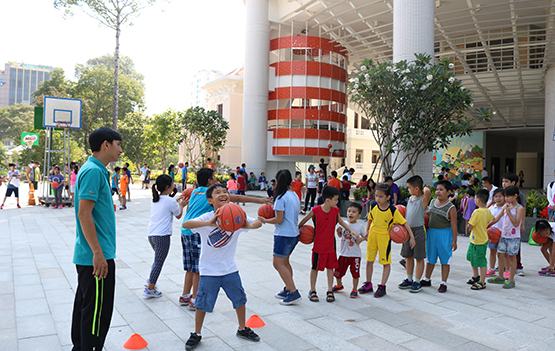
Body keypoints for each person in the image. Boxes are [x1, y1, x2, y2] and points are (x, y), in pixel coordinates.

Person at [182, 184, 263, 350]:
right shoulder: (207, 217)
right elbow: (187, 224)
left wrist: (246, 225)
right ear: (210, 200)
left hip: (230, 269)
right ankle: (196, 333)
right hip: (208, 271)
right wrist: (210, 223)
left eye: (225, 192)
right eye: (217, 192)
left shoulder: (237, 216)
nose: (223, 194)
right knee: (202, 303)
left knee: (239, 300)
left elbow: (258, 223)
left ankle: (242, 328)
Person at [179, 168, 270, 310]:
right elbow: (239, 198)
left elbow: (189, 209)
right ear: (210, 180)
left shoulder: (195, 191)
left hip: (185, 231)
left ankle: (185, 295)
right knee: (197, 269)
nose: (216, 181)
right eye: (214, 177)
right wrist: (261, 200)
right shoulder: (213, 195)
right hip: (196, 230)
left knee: (190, 267)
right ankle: (195, 299)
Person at [71, 127, 122, 350]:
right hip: (96, 258)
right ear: (106, 145)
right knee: (96, 316)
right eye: (118, 144)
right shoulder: (93, 171)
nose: (121, 150)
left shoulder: (96, 170)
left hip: (92, 255)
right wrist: (98, 253)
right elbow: (84, 213)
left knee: (86, 308)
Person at [358, 183, 415, 298]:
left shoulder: (393, 210)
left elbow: (405, 223)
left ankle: (382, 286)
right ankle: (368, 284)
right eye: (376, 195)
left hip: (384, 238)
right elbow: (370, 219)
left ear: (388, 197)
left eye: (380, 196)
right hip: (373, 236)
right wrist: (367, 230)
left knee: (385, 263)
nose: (377, 198)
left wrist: (412, 237)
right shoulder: (373, 205)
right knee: (369, 261)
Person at [298, 186, 351, 303]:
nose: (337, 202)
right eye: (335, 200)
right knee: (315, 268)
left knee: (330, 268)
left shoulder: (335, 210)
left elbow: (341, 221)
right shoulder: (315, 210)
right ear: (328, 200)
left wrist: (351, 230)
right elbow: (302, 222)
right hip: (318, 245)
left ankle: (329, 290)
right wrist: (299, 232)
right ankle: (312, 290)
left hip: (331, 245)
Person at [259, 170, 302, 305]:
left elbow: (279, 219)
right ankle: (288, 288)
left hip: (283, 235)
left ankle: (293, 292)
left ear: (278, 181)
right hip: (294, 234)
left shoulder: (280, 198)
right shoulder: (294, 194)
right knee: (285, 262)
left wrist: (264, 220)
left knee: (277, 263)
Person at [144, 174, 187, 298]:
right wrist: (182, 205)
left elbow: (170, 204)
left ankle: (151, 283)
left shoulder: (156, 199)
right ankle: (150, 288)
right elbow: (178, 215)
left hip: (152, 235)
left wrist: (177, 201)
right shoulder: (170, 201)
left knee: (157, 260)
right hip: (162, 236)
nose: (174, 184)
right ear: (168, 186)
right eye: (173, 183)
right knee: (159, 262)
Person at [421, 180, 458, 293]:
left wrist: (454, 241)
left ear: (448, 192)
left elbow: (454, 225)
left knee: (445, 260)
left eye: (441, 190)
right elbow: (426, 214)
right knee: (430, 258)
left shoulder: (451, 208)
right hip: (431, 233)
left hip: (444, 234)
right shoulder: (432, 202)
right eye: (437, 189)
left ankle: (443, 282)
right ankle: (427, 279)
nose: (438, 192)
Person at [398, 176, 432, 293]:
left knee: (419, 257)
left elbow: (427, 190)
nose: (408, 189)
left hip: (418, 230)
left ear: (417, 189)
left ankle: (417, 281)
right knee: (408, 256)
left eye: (409, 187)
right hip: (408, 230)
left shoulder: (423, 199)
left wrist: (422, 187)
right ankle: (409, 279)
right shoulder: (411, 198)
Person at [487, 186, 525, 289]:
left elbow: (516, 223)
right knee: (500, 254)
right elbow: (496, 218)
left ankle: (511, 280)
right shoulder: (505, 206)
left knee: (512, 258)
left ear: (515, 196)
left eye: (508, 196)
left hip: (513, 237)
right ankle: (500, 276)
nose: (506, 199)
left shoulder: (519, 208)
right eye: (506, 196)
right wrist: (486, 226)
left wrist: (508, 213)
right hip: (503, 235)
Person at [333, 202, 366, 298]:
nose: (350, 213)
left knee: (355, 273)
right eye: (349, 211)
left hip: (355, 255)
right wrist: (338, 231)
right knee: (337, 272)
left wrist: (361, 239)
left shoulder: (360, 226)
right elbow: (340, 236)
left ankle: (354, 289)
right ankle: (339, 285)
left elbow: (365, 237)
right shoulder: (344, 224)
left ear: (359, 215)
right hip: (343, 254)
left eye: (354, 212)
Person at [465, 189, 494, 290]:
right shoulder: (487, 211)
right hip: (478, 239)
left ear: (478, 199)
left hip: (478, 241)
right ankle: (476, 276)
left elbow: (471, 225)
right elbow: (492, 220)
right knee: (472, 257)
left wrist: (468, 228)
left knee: (481, 261)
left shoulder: (477, 212)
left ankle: (482, 282)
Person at [501, 173, 526, 276]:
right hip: (505, 225)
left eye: (506, 181)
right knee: (504, 248)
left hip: (515, 225)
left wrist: (522, 224)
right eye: (503, 181)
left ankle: (518, 266)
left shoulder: (520, 195)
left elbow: (523, 209)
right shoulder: (502, 193)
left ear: (513, 183)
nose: (503, 183)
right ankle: (506, 267)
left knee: (515, 247)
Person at [487, 188, 505, 277]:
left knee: (501, 254)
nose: (498, 198)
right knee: (492, 251)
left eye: (500, 196)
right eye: (496, 196)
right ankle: (492, 268)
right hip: (492, 234)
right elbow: (487, 220)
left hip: (503, 234)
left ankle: (504, 269)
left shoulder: (506, 208)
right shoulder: (491, 208)